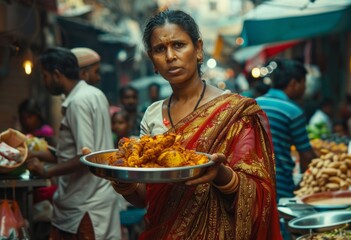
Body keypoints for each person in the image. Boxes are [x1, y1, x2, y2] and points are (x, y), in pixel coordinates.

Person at [100, 9, 282, 239]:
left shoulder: (235, 112)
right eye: (159, 49)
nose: (170, 56)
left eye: (178, 45)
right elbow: (146, 196)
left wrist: (219, 174)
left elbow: (259, 194)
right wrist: (120, 179)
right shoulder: (153, 114)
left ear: (198, 49)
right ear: (152, 60)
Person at [26, 47, 121, 239]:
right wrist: (32, 152)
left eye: (45, 76)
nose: (44, 82)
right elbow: (75, 152)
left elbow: (85, 157)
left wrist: (46, 171)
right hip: (94, 199)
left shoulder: (78, 101)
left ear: (56, 75)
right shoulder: (93, 94)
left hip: (85, 203)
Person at [256, 59, 317, 200]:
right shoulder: (293, 111)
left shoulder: (254, 103)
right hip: (280, 185)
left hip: (253, 183)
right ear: (294, 84)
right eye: (304, 83)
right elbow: (306, 156)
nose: (305, 88)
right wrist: (302, 185)